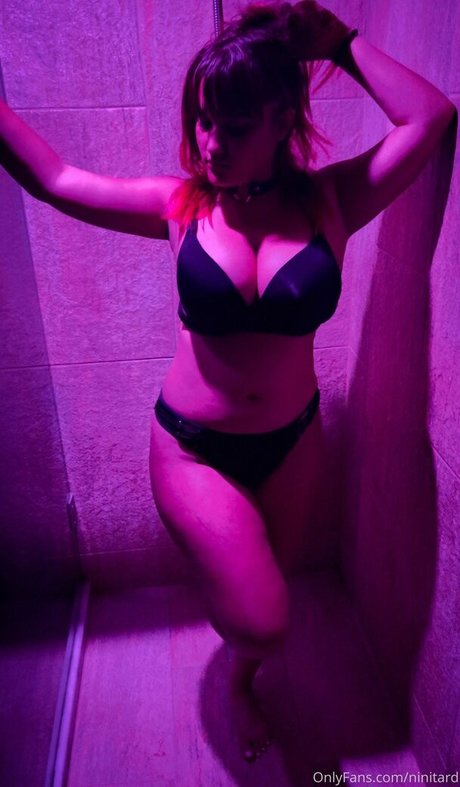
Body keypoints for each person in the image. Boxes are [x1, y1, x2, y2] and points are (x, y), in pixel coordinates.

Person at [1, 0, 455, 765]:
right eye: (203, 120)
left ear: (282, 121)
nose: (209, 143)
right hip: (194, 448)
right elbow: (55, 179)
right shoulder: (180, 206)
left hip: (294, 441)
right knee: (265, 616)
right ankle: (236, 621)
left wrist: (341, 43)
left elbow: (430, 118)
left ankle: (242, 681)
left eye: (232, 127)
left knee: (271, 594)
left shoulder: (332, 201)